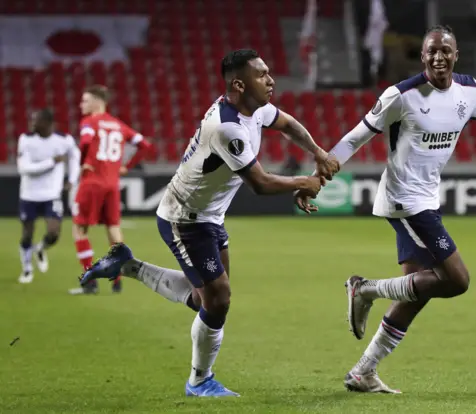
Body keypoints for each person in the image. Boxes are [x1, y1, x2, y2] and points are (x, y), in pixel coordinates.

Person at [295, 25, 476, 394]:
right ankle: (365, 289)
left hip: (426, 199)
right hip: (405, 201)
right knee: (458, 280)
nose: (438, 56)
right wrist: (316, 180)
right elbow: (356, 137)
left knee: (418, 292)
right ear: (423, 56)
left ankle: (363, 371)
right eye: (431, 51)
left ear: (456, 54)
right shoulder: (401, 96)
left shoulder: (471, 92)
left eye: (445, 50)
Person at [76, 49, 340, 397]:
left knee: (209, 300)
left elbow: (287, 124)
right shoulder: (226, 126)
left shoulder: (255, 108)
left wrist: (318, 152)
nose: (271, 80)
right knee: (218, 299)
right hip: (185, 218)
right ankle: (199, 381)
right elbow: (259, 183)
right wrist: (302, 183)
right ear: (238, 84)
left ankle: (130, 266)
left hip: (209, 215)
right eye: (262, 75)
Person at [68, 85, 152, 295]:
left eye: (85, 100)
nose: (81, 105)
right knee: (114, 229)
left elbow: (86, 140)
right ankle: (116, 280)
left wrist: (82, 162)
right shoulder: (118, 125)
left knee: (79, 229)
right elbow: (144, 144)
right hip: (112, 184)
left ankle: (90, 282)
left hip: (92, 181)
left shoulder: (89, 122)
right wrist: (127, 166)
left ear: (98, 102)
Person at [16, 109, 80, 284]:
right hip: (29, 194)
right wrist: (52, 162)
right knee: (27, 234)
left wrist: (72, 179)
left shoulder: (63, 140)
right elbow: (24, 168)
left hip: (52, 194)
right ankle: (27, 268)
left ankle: (41, 249)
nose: (32, 124)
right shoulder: (26, 139)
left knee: (53, 233)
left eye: (36, 120)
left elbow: (75, 156)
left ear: (47, 123)